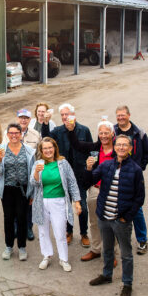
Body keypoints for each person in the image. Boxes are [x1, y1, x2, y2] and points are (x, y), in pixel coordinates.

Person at [86, 135, 145, 296]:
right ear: (115, 146)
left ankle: (127, 283)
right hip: (104, 217)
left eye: (124, 145)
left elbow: (139, 198)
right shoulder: (106, 165)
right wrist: (89, 169)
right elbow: (89, 181)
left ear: (130, 148)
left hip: (121, 220)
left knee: (126, 254)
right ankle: (107, 275)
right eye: (118, 144)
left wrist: (127, 217)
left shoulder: (135, 169)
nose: (121, 147)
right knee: (107, 249)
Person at [42, 103, 92, 247]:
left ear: (73, 115)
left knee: (81, 205)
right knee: (66, 206)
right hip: (63, 175)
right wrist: (45, 122)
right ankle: (69, 231)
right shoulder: (58, 131)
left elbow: (90, 150)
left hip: (80, 174)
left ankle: (84, 233)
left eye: (67, 114)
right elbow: (46, 139)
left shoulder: (84, 130)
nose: (64, 117)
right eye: (62, 115)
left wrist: (90, 170)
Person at [67, 120, 117, 263]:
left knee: (111, 222)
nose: (103, 136)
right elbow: (76, 145)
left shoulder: (118, 149)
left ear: (112, 134)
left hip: (113, 190)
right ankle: (96, 249)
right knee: (95, 222)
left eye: (106, 133)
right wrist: (71, 130)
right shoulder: (95, 148)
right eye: (101, 133)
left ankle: (111, 253)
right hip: (96, 189)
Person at [30, 137, 82, 272]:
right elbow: (33, 183)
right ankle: (46, 256)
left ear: (55, 148)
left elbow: (72, 182)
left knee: (60, 232)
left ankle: (63, 259)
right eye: (45, 148)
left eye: (50, 147)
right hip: (42, 202)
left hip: (58, 202)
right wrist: (36, 172)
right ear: (41, 151)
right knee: (43, 231)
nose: (48, 150)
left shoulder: (63, 163)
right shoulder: (38, 163)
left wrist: (77, 201)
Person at [0, 124, 35, 261]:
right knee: (8, 218)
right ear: (7, 135)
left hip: (23, 190)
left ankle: (22, 247)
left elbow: (33, 173)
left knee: (22, 218)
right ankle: (9, 246)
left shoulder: (29, 151)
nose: (14, 135)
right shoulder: (1, 150)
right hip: (7, 189)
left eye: (16, 133)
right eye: (11, 133)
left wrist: (32, 193)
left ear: (21, 134)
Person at [114, 105, 148, 255]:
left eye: (123, 115)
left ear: (129, 115)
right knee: (117, 205)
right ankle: (120, 239)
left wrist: (138, 168)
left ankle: (142, 240)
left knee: (136, 208)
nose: (120, 118)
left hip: (134, 176)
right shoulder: (113, 131)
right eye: (118, 115)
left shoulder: (139, 133)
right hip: (116, 174)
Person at [1, 108, 40, 241]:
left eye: (26, 118)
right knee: (14, 207)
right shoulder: (7, 134)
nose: (23, 120)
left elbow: (38, 156)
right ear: (17, 118)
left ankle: (28, 227)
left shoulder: (35, 135)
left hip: (28, 176)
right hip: (11, 178)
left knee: (28, 204)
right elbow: (2, 151)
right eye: (21, 117)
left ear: (30, 120)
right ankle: (16, 227)